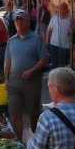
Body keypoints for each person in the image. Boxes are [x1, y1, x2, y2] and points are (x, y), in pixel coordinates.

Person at [4, 11, 49, 140]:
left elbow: (44, 58)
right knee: (15, 113)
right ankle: (18, 143)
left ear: (28, 22)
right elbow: (7, 61)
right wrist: (6, 79)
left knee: (33, 114)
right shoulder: (11, 41)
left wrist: (32, 71)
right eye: (16, 20)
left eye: (21, 19)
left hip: (32, 84)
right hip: (14, 85)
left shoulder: (36, 38)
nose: (18, 22)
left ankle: (36, 141)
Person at [45, 1, 73, 69]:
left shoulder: (70, 19)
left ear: (67, 10)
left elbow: (73, 31)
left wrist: (71, 31)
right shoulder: (54, 17)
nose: (61, 11)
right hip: (54, 46)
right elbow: (49, 31)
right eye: (60, 9)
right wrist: (47, 44)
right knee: (55, 67)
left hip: (65, 47)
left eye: (63, 9)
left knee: (64, 67)